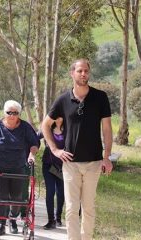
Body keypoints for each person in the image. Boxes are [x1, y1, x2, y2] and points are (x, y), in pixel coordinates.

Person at [41, 58, 113, 240]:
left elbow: (107, 129)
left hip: (94, 163)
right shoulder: (63, 100)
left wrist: (106, 157)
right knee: (72, 208)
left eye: (86, 71)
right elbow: (45, 125)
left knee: (88, 208)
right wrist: (55, 150)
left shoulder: (100, 97)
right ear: (72, 73)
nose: (84, 74)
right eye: (80, 71)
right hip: (70, 164)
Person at [0, 100, 39, 236]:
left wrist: (31, 155)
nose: (12, 115)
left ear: (19, 114)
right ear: (5, 112)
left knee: (17, 197)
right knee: (0, 196)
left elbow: (34, 144)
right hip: (0, 166)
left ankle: (12, 219)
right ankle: (1, 224)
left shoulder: (25, 127)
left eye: (15, 113)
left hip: (18, 166)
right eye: (9, 112)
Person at [39, 117, 65, 230]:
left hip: (64, 166)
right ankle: (51, 220)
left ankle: (58, 217)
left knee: (61, 193)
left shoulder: (69, 129)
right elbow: (33, 138)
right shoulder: (47, 127)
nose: (58, 116)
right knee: (50, 192)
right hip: (48, 165)